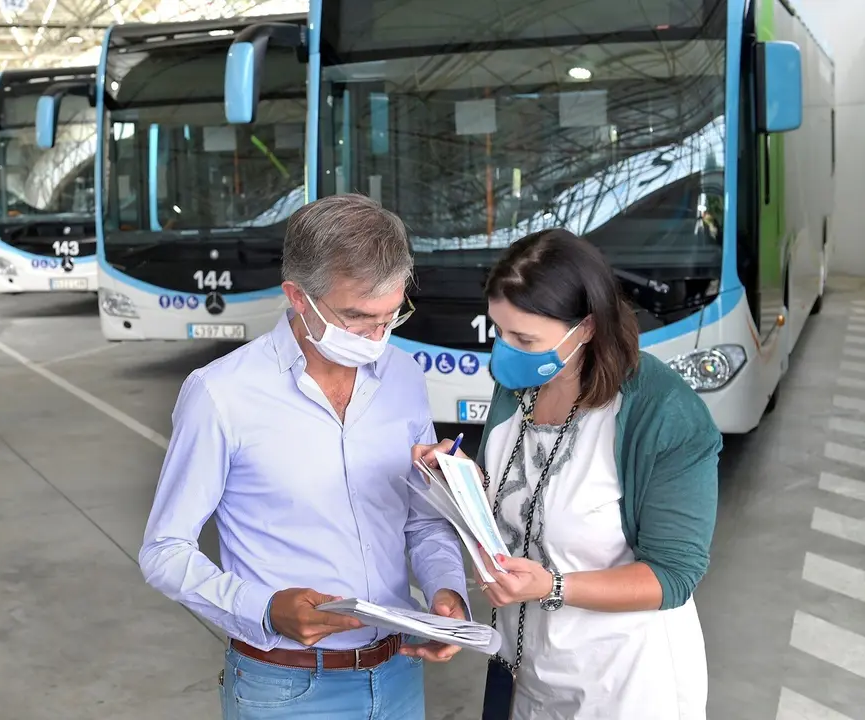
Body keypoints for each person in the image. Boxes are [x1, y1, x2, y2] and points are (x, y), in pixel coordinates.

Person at [140, 193, 470, 720]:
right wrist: (266, 609)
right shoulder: (221, 395)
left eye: (391, 317)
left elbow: (422, 521)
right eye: (358, 318)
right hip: (287, 688)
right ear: (298, 296)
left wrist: (445, 591)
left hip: (398, 673)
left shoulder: (404, 378)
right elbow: (164, 551)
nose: (377, 337)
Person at [415, 228, 720, 719]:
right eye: (499, 331)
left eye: (524, 339)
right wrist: (460, 476)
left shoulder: (664, 415)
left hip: (624, 683)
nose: (505, 351)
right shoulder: (520, 383)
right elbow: (521, 490)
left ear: (588, 327)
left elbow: (673, 575)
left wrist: (552, 587)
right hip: (528, 668)